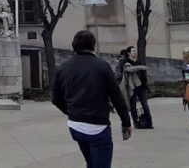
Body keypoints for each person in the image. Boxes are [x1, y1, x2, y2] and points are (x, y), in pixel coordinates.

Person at [52, 30, 132, 168]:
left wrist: (70, 111)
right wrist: (126, 122)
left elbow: (55, 98)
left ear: (74, 46)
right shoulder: (102, 66)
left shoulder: (63, 68)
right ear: (93, 45)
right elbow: (117, 97)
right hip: (97, 126)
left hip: (75, 125)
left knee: (91, 162)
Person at [119, 46, 153, 129]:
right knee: (133, 106)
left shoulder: (138, 61)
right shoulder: (125, 62)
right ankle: (136, 123)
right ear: (129, 53)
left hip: (141, 87)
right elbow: (129, 70)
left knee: (145, 105)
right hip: (132, 88)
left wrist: (146, 85)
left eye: (136, 51)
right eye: (133, 51)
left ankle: (149, 122)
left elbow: (143, 75)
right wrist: (141, 67)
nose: (135, 52)